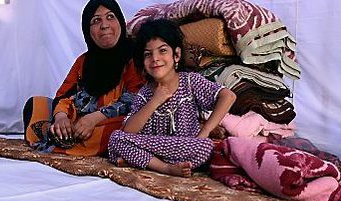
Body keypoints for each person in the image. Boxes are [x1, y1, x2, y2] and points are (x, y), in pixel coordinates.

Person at [108, 19, 236, 177]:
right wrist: (155, 100)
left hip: (186, 146)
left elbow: (228, 96)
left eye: (162, 51)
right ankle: (165, 168)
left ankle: (143, 162)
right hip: (152, 147)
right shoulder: (144, 93)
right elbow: (129, 131)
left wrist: (205, 131)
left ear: (176, 55)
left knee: (205, 147)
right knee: (116, 139)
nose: (155, 58)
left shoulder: (190, 82)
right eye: (148, 54)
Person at [23, 0, 143, 156]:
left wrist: (94, 119)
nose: (104, 25)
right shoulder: (84, 61)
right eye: (96, 20)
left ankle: (61, 142)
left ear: (120, 21)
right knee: (36, 104)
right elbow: (63, 95)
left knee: (123, 128)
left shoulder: (134, 57)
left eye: (110, 17)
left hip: (110, 121)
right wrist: (61, 118)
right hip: (78, 121)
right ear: (88, 30)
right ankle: (67, 138)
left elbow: (135, 99)